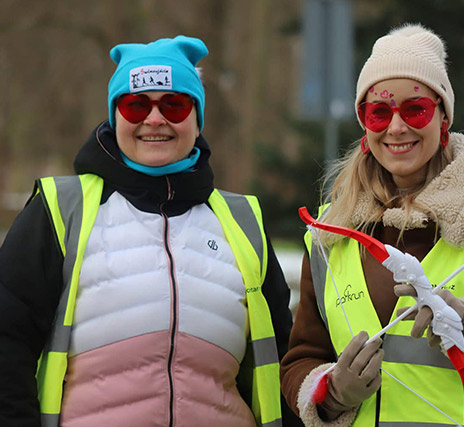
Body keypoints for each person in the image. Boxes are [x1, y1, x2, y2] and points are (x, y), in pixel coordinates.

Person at [0, 36, 300, 427]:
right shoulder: (61, 208)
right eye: (136, 104)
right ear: (115, 115)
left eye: (174, 105)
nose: (155, 119)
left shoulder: (242, 220)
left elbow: (282, 360)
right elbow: (7, 340)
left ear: (197, 117)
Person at [280, 23, 464, 426]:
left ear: (443, 117)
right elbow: (301, 360)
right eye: (379, 112)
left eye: (415, 109)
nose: (397, 128)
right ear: (364, 125)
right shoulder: (331, 231)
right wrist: (331, 393)